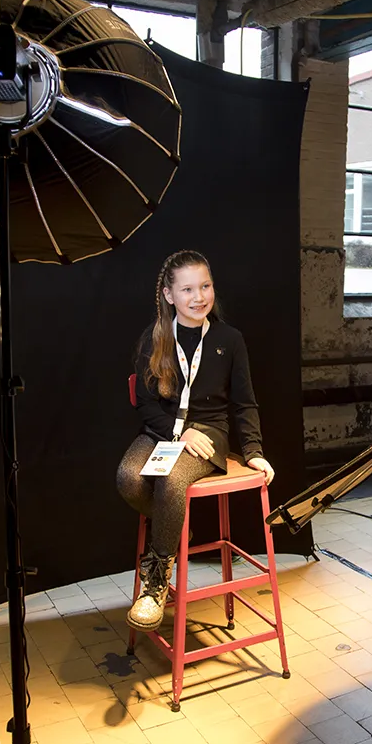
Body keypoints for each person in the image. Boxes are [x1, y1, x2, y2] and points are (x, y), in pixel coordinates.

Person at [116, 250, 274, 632]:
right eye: (187, 289)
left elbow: (244, 402)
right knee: (129, 478)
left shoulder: (229, 339)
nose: (199, 296)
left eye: (205, 286)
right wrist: (177, 432)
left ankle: (155, 583)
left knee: (172, 481)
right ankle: (170, 526)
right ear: (170, 295)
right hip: (163, 431)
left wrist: (254, 452)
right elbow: (146, 404)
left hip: (207, 434)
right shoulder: (153, 339)